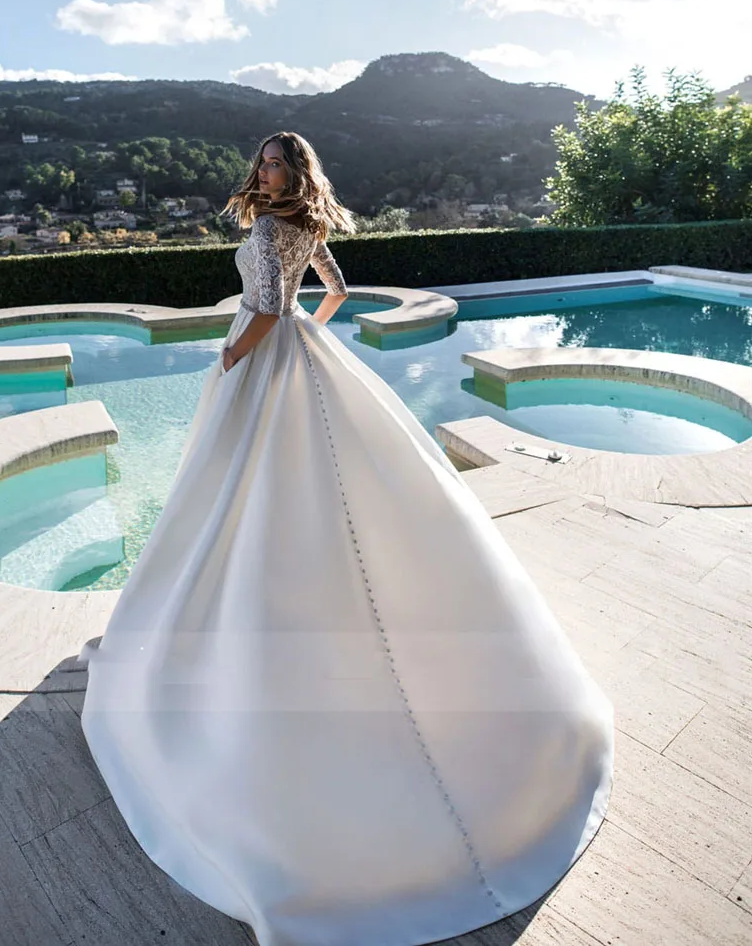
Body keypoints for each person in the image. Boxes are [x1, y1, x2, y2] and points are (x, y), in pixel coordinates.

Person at [80, 131, 614, 946]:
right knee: (336, 491)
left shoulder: (265, 230)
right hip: (311, 355)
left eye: (273, 163)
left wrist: (229, 361)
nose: (264, 171)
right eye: (261, 160)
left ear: (291, 174)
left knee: (245, 492)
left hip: (265, 362)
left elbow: (261, 310)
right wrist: (311, 327)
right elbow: (331, 289)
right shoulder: (311, 226)